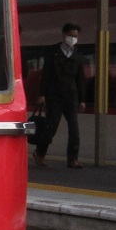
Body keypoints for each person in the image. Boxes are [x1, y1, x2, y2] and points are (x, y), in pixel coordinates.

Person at [34, 22, 86, 169]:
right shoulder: (53, 51)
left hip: (71, 96)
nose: (73, 38)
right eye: (70, 35)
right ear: (64, 35)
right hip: (54, 96)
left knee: (74, 129)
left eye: (75, 36)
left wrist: (82, 99)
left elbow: (80, 78)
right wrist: (42, 94)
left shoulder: (77, 54)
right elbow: (46, 74)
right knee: (50, 127)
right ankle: (40, 154)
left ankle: (73, 159)